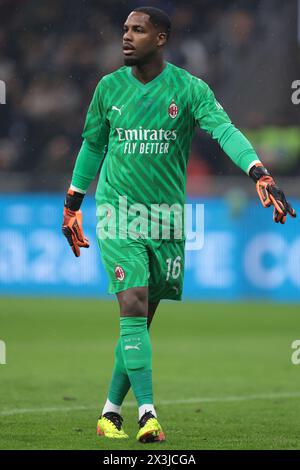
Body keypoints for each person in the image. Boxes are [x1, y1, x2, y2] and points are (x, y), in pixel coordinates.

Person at [62, 6, 296, 443]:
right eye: (124, 30)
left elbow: (225, 130)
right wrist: (73, 202)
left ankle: (110, 413)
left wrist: (258, 171)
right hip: (117, 213)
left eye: (138, 30)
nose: (126, 37)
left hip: (166, 218)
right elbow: (93, 146)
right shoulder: (108, 88)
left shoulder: (189, 90)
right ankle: (148, 415)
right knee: (131, 303)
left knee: (141, 320)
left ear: (161, 38)